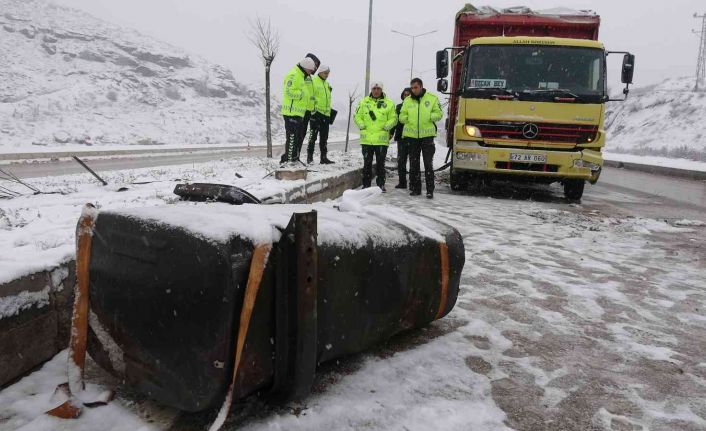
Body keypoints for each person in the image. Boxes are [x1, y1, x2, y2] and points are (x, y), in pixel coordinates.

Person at [399, 77, 443, 199]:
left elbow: (439, 113)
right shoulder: (407, 100)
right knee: (414, 165)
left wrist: (430, 116)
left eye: (416, 87)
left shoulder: (432, 98)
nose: (414, 90)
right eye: (412, 88)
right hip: (412, 137)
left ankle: (430, 190)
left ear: (421, 87)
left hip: (427, 137)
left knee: (428, 164)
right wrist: (406, 119)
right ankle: (416, 189)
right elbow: (401, 115)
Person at [354, 82, 397, 192]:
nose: (376, 91)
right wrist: (361, 125)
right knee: (367, 164)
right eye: (374, 88)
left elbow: (394, 118)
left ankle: (380, 185)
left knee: (380, 164)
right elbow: (357, 116)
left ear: (382, 90)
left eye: (378, 89)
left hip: (381, 140)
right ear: (371, 89)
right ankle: (366, 185)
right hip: (367, 139)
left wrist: (387, 127)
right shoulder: (363, 102)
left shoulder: (389, 103)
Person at [280, 57, 316, 163]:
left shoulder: (301, 76)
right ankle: (289, 161)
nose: (311, 72)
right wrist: (301, 95)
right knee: (292, 138)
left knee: (297, 137)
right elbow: (288, 92)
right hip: (291, 112)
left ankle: (293, 159)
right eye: (310, 70)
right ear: (305, 67)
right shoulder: (294, 74)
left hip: (298, 113)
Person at [293, 53, 321, 160]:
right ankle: (293, 157)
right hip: (301, 110)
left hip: (308, 110)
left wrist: (313, 106)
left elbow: (310, 94)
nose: (315, 68)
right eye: (315, 65)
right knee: (297, 135)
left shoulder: (309, 77)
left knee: (302, 135)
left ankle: (297, 156)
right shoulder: (302, 75)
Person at [307, 65, 335, 164]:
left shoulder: (327, 84)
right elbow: (310, 96)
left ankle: (323, 158)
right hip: (316, 114)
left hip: (326, 115)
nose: (327, 75)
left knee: (324, 138)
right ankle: (309, 158)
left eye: (328, 73)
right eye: (325, 73)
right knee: (313, 136)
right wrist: (313, 109)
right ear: (320, 72)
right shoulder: (314, 81)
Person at [393, 87, 411, 188]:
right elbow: (395, 120)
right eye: (405, 95)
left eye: (408, 94)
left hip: (412, 137)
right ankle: (402, 182)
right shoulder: (399, 107)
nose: (406, 96)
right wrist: (391, 132)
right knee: (401, 161)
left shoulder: (415, 106)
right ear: (402, 96)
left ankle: (413, 183)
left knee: (413, 161)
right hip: (401, 137)